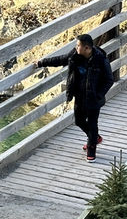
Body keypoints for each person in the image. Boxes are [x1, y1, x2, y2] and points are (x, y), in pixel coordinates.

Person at [34, 34, 114, 162]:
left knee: (93, 124)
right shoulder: (75, 55)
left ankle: (91, 147)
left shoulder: (100, 59)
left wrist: (98, 95)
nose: (76, 48)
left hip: (94, 99)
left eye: (78, 46)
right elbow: (62, 59)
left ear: (87, 48)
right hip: (79, 95)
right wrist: (41, 62)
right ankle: (94, 138)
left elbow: (109, 80)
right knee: (79, 121)